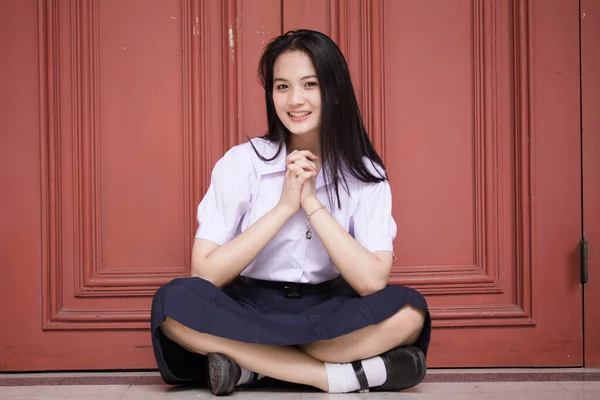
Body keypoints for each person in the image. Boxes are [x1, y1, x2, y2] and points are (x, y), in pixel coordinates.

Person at [151, 29, 431, 396]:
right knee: (173, 304)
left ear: (334, 90)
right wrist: (284, 207)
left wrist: (311, 203)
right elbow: (203, 273)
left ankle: (252, 368)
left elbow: (372, 282)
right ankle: (337, 377)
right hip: (249, 308)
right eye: (282, 87)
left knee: (410, 312)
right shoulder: (242, 163)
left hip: (329, 310)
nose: (295, 100)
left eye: (309, 84)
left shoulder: (366, 175)